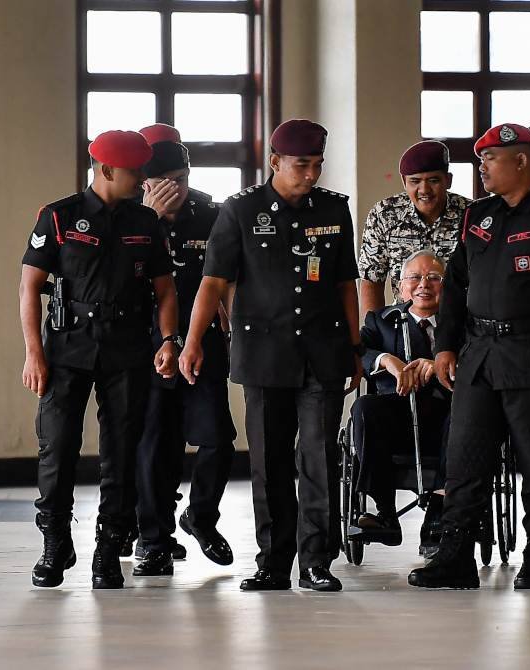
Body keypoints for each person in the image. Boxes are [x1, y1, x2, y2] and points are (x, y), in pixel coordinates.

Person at [407, 124, 530, 591]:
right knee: (465, 462)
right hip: (479, 356)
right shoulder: (480, 216)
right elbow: (454, 286)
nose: (482, 169)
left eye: (490, 160)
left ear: (520, 162)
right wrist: (446, 346)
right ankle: (454, 558)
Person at [179, 119, 362, 592]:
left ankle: (317, 561)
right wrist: (194, 340)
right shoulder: (241, 211)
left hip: (322, 350)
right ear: (276, 162)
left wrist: (355, 347)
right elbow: (213, 281)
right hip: (264, 352)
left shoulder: (334, 210)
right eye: (302, 165)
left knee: (320, 458)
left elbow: (346, 284)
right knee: (269, 461)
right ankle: (274, 562)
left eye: (318, 165)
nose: (311, 175)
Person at [19, 130, 178, 589]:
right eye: (135, 171)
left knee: (121, 453)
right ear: (107, 170)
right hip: (67, 347)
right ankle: (54, 544)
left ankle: (108, 550)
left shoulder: (145, 222)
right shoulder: (59, 216)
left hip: (127, 348)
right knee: (57, 448)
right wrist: (34, 353)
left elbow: (164, 289)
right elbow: (30, 286)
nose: (143, 179)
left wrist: (169, 339)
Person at [128, 131, 237, 578]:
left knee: (216, 438)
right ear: (143, 181)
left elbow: (230, 276)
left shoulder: (211, 215)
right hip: (144, 344)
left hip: (201, 343)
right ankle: (153, 539)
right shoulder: (128, 219)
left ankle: (201, 517)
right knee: (155, 443)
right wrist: (148, 220)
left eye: (181, 178)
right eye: (162, 180)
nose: (176, 189)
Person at [351, 249, 450, 557]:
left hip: (445, 417)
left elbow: (477, 358)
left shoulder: (460, 322)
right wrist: (386, 360)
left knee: (467, 415)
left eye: (434, 277)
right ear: (400, 286)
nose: (424, 284)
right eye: (415, 277)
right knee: (364, 408)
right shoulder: (381, 321)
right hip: (395, 417)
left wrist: (438, 365)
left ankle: (440, 510)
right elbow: (358, 353)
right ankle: (384, 513)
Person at [357, 140, 470, 318]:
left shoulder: (470, 215)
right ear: (404, 181)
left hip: (460, 324)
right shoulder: (385, 215)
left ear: (448, 180)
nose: (424, 190)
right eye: (415, 181)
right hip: (405, 325)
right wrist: (374, 334)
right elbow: (372, 280)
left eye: (433, 180)